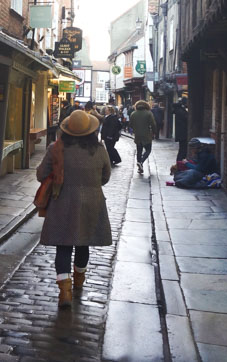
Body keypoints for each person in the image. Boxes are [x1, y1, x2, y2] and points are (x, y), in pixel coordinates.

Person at [36, 110, 112, 309]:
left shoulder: (56, 148)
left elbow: (40, 174)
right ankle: (79, 281)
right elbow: (105, 177)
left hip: (62, 202)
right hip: (92, 202)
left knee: (63, 246)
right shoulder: (99, 149)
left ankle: (65, 292)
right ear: (91, 131)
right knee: (83, 243)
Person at [130, 100, 156, 174]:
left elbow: (131, 124)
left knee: (139, 151)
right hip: (147, 134)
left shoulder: (133, 113)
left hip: (137, 135)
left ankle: (140, 168)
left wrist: (135, 130)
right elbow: (153, 124)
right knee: (148, 150)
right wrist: (154, 132)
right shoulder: (148, 113)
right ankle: (141, 162)